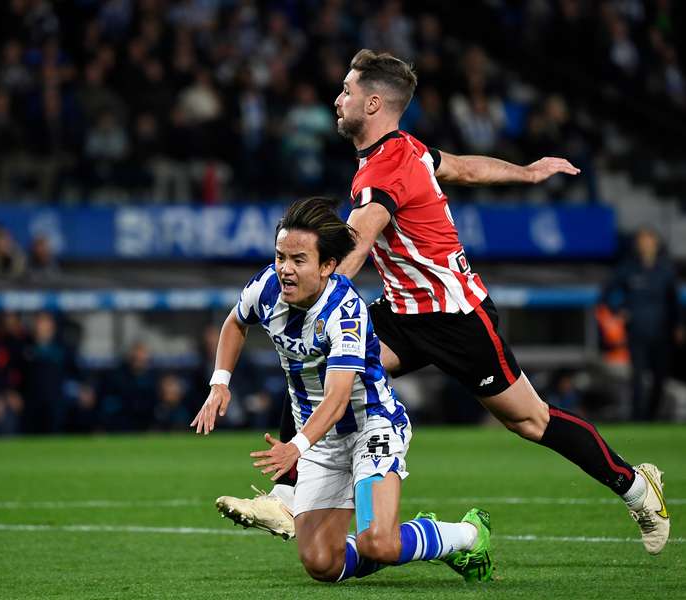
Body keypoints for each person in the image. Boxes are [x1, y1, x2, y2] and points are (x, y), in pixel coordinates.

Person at [218, 49, 669, 555]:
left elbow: (359, 238)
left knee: (530, 420)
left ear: (372, 104)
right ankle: (285, 496)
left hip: (457, 318)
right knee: (319, 360)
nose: (337, 99)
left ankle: (635, 485)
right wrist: (525, 172)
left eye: (346, 91)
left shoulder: (379, 174)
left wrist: (316, 299)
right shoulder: (405, 149)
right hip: (404, 314)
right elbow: (462, 169)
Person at [192, 197, 494, 584]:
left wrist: (295, 449)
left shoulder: (344, 311)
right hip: (321, 442)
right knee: (322, 564)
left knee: (378, 544)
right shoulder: (266, 286)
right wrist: (220, 384)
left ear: (327, 266)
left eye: (299, 260)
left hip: (371, 427)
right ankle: (397, 536)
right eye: (281, 256)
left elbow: (337, 400)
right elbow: (235, 323)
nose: (285, 269)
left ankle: (467, 535)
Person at [602, 227, 682, 421]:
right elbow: (607, 293)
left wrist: (679, 325)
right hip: (637, 332)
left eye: (648, 241)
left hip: (662, 332)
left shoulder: (666, 270)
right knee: (637, 377)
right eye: (641, 241)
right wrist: (619, 309)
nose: (645, 245)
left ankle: (653, 416)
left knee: (660, 377)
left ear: (655, 244)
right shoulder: (627, 269)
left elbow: (675, 301)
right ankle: (638, 417)